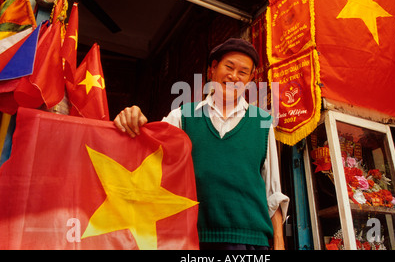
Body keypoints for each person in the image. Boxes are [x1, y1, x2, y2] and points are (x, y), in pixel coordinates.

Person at [114, 38, 289, 250]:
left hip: (249, 241)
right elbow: (146, 150)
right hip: (193, 238)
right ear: (213, 69)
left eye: (243, 72)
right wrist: (132, 118)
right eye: (229, 67)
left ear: (250, 79)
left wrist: (279, 242)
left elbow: (273, 191)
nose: (234, 76)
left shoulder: (262, 123)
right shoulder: (182, 117)